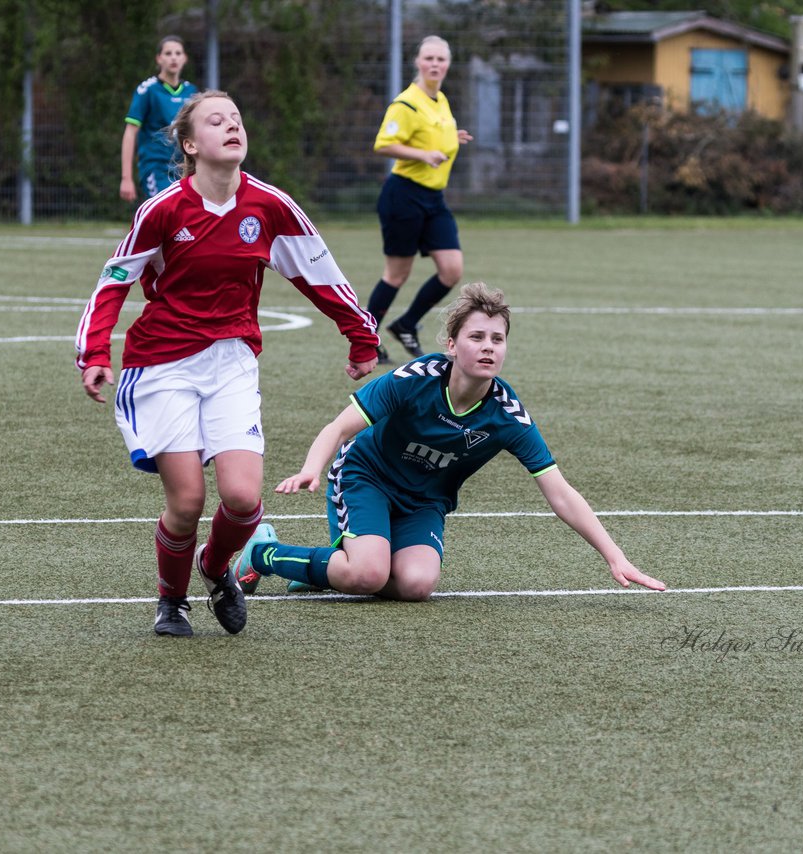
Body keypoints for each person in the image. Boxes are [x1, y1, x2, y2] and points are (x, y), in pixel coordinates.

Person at [77, 90, 381, 637]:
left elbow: (319, 272)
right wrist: (95, 351)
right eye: (216, 121)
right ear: (191, 144)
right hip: (163, 364)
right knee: (189, 499)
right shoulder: (163, 210)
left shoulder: (270, 206)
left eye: (237, 118)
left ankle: (216, 571)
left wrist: (360, 336)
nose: (232, 127)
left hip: (232, 361)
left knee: (243, 499)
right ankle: (172, 602)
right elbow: (115, 280)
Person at [228, 282, 667, 601]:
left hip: (424, 502)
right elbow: (339, 428)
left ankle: (328, 569)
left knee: (416, 586)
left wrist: (615, 556)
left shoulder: (506, 413)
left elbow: (560, 493)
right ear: (453, 345)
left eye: (498, 339)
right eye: (477, 337)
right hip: (366, 478)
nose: (488, 347)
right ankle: (264, 553)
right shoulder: (414, 378)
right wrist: (313, 467)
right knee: (368, 574)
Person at [366, 35, 474, 365]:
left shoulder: (439, 100)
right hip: (404, 195)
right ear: (417, 62)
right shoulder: (407, 103)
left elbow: (431, 132)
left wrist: (450, 138)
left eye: (441, 59)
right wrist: (423, 154)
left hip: (433, 199)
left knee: (452, 269)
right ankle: (365, 339)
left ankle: (407, 323)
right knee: (397, 274)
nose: (435, 64)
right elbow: (383, 144)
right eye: (429, 58)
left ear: (448, 64)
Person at [119, 36, 198, 203]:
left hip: (184, 167)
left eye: (178, 53)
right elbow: (130, 132)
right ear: (159, 59)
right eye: (168, 53)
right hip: (156, 167)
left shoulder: (191, 91)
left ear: (185, 58)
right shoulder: (147, 90)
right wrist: (126, 178)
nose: (173, 57)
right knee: (163, 211)